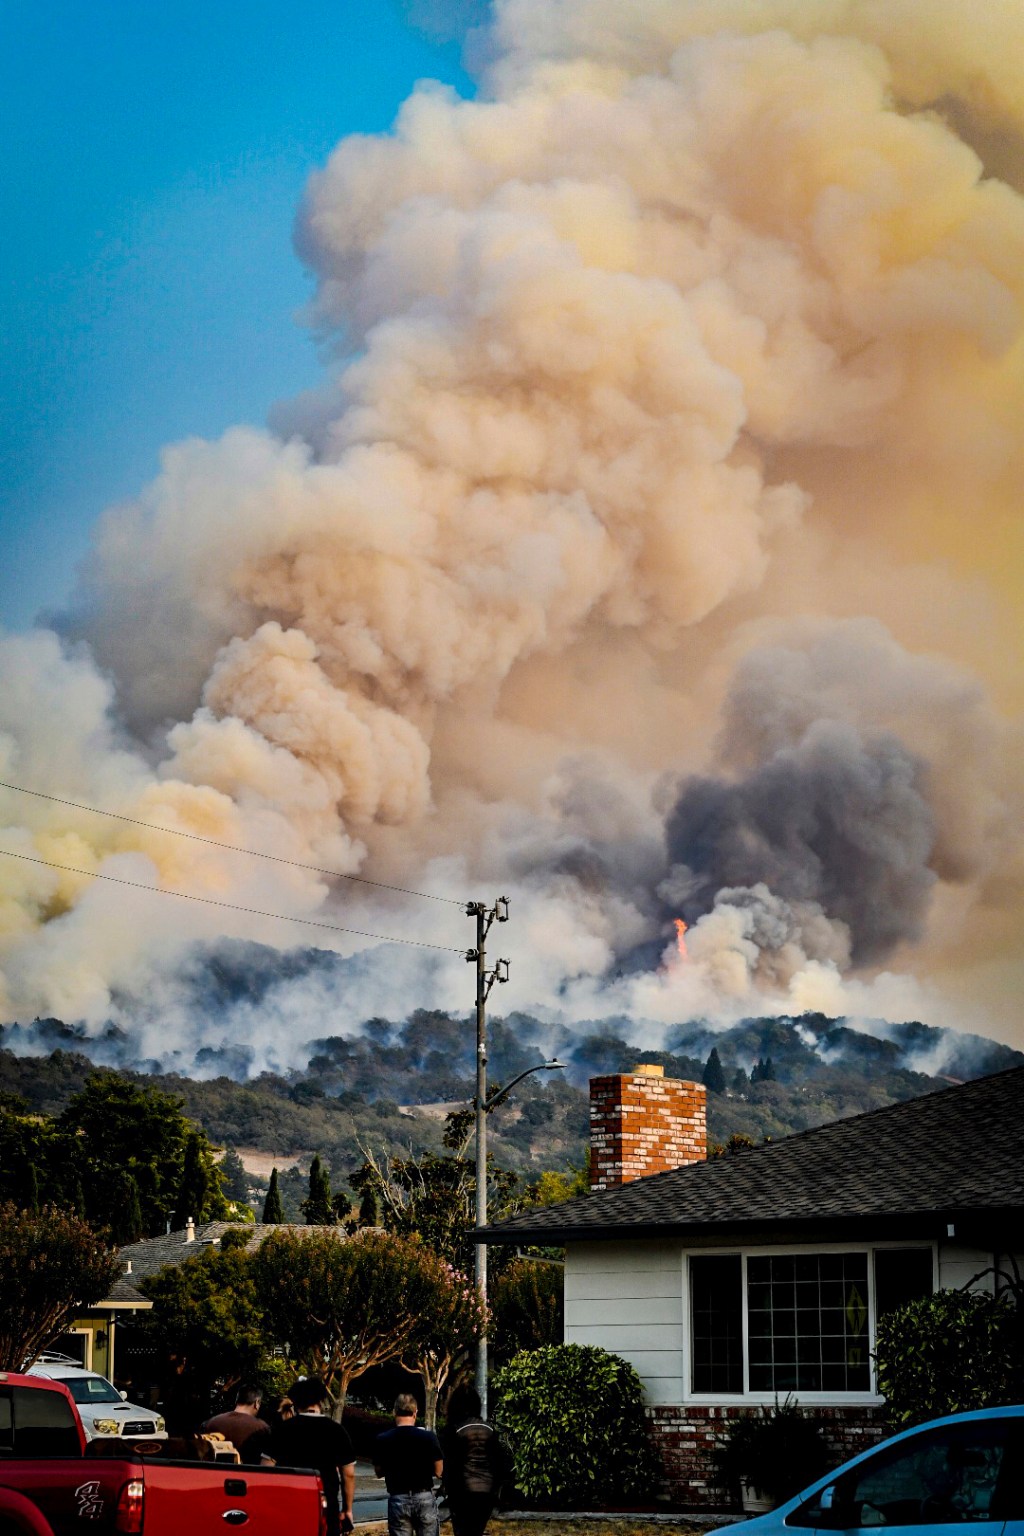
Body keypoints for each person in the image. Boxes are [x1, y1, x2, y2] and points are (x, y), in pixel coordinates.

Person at [270, 1377, 356, 1536]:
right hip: (326, 1507)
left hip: (288, 1505)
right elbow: (348, 1474)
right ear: (321, 1401)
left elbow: (266, 1467)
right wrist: (347, 1510)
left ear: (295, 1402)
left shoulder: (282, 1430)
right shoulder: (337, 1431)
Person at [441, 1385, 510, 1536]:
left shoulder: (453, 1429)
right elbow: (500, 1463)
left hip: (462, 1493)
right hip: (486, 1492)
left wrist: (446, 1489)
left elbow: (450, 1465)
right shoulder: (490, 1429)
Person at [374, 1393, 444, 1536]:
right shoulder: (429, 1437)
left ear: (394, 1412)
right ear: (415, 1412)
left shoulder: (383, 1439)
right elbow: (439, 1471)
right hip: (424, 1496)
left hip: (398, 1496)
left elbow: (379, 1471)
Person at [202, 1383, 273, 1464]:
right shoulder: (262, 1428)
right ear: (257, 1403)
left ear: (237, 1399)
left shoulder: (211, 1422)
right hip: (247, 1474)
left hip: (213, 1473)